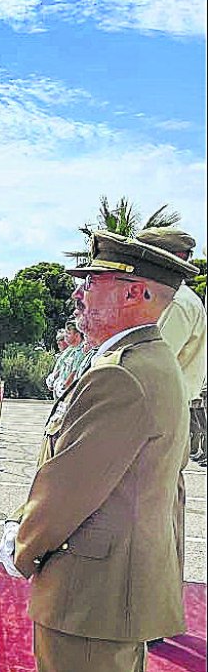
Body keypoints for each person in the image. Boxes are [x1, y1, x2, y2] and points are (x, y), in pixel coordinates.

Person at [0, 231, 199, 671]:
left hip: (91, 595)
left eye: (91, 282)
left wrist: (22, 544)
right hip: (114, 593)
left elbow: (70, 488)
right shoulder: (148, 360)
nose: (78, 293)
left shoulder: (122, 373)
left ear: (134, 293)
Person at [135, 227, 208, 590]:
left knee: (151, 511)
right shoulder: (180, 300)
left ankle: (154, 597)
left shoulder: (176, 303)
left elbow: (151, 361)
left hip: (162, 412)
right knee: (157, 508)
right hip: (168, 410)